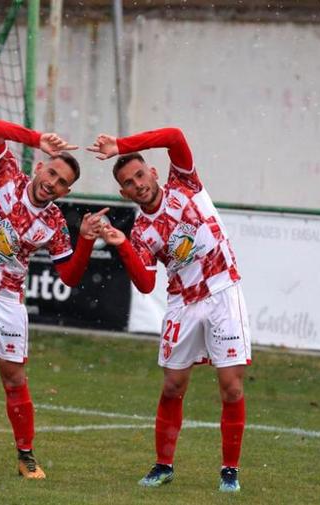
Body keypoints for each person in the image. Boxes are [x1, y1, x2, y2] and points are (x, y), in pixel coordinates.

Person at [0, 118, 107, 478]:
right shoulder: (6, 174)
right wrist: (37, 138)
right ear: (39, 165)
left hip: (6, 300)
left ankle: (26, 456)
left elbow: (69, 276)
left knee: (13, 379)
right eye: (52, 173)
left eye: (62, 183)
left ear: (66, 192)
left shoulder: (55, 223)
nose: (52, 183)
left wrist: (86, 238)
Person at [87, 127, 251, 493]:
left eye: (140, 175)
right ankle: (163, 465)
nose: (138, 184)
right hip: (182, 303)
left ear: (154, 173)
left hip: (223, 290)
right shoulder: (142, 231)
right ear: (123, 193)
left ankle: (229, 471)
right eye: (129, 182)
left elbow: (175, 137)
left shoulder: (185, 184)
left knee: (231, 388)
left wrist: (121, 146)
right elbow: (146, 284)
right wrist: (121, 244)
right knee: (173, 386)